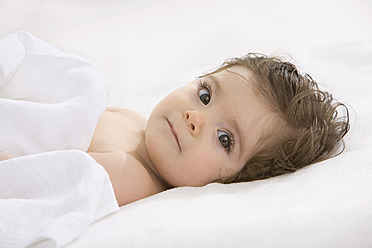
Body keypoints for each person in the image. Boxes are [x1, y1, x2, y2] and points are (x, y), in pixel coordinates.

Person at [0, 53, 350, 207]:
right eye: (205, 94)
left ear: (235, 181)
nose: (194, 117)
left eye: (224, 139)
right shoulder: (137, 123)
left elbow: (27, 179)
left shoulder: (131, 175)